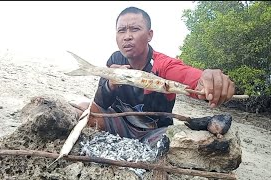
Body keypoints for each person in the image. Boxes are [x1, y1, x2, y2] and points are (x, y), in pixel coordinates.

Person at [76, 6, 235, 147]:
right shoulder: (115, 60)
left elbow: (192, 79)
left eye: (135, 29)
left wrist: (210, 80)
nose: (127, 36)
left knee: (177, 142)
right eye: (121, 30)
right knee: (82, 110)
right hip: (119, 123)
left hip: (154, 133)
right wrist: (111, 84)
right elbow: (101, 102)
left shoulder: (164, 65)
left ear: (149, 35)